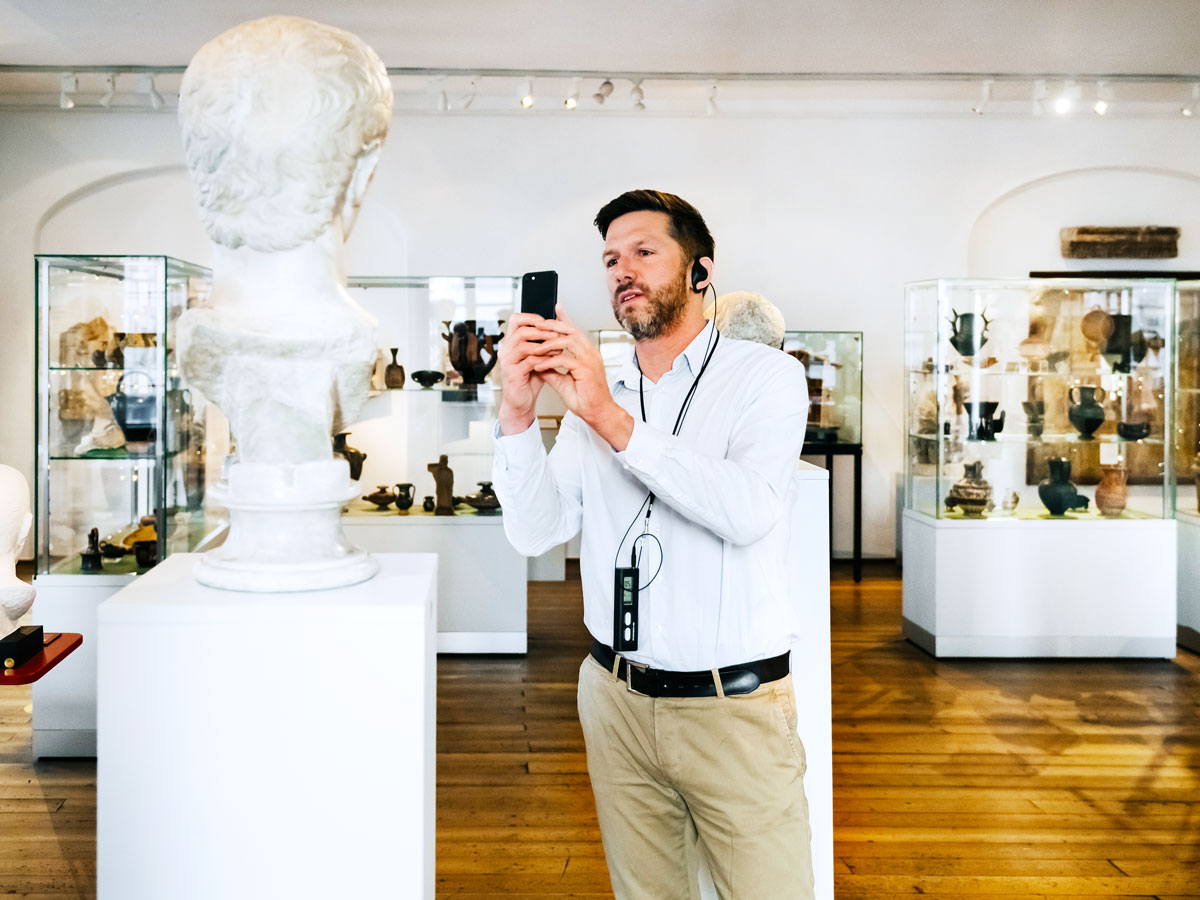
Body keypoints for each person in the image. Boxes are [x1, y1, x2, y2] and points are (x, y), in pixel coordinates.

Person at [491, 190, 814, 900]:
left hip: (734, 709)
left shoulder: (767, 379)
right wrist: (517, 414)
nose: (621, 271)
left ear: (700, 272)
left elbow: (748, 509)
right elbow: (537, 531)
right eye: (610, 259)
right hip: (616, 701)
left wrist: (608, 417)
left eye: (644, 252)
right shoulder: (593, 393)